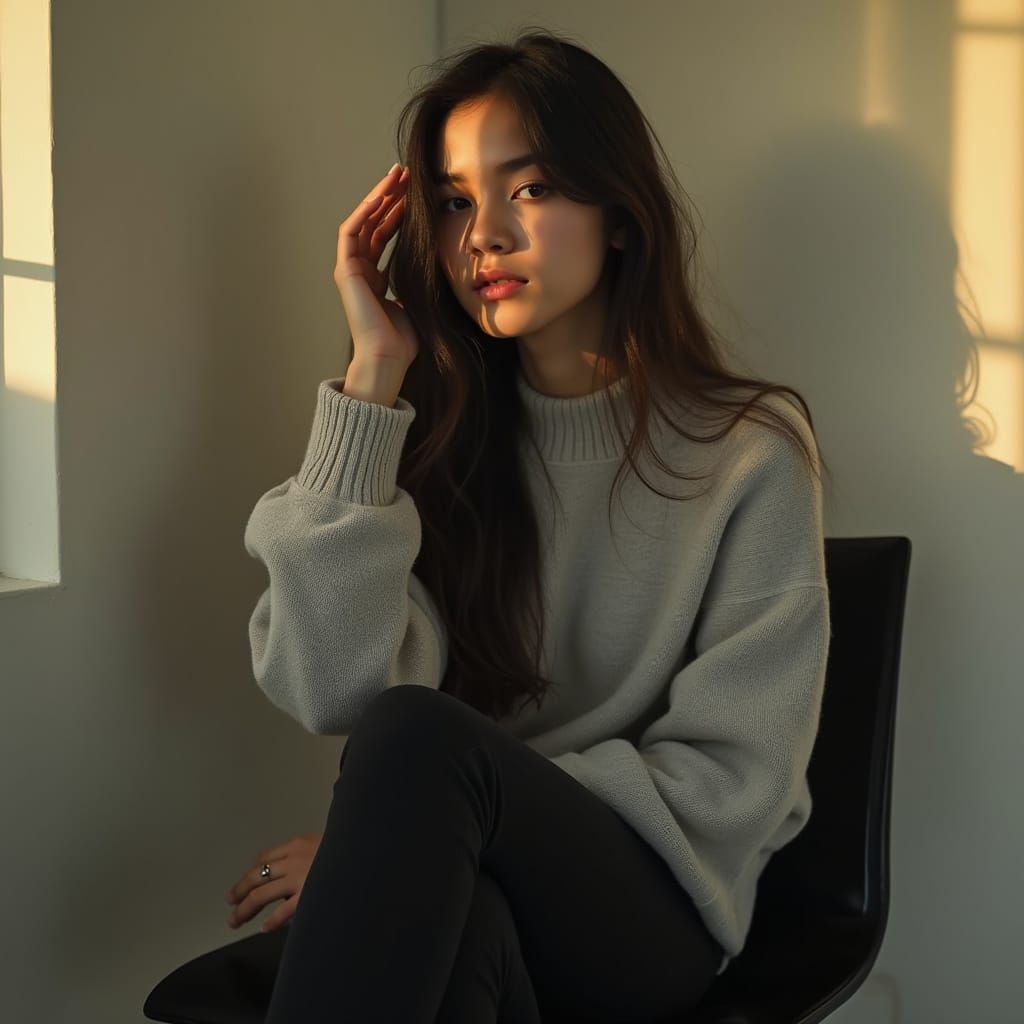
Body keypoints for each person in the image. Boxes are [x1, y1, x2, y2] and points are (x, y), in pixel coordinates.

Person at [228, 26, 832, 1024]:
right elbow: (328, 689)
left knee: (421, 750)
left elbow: (735, 773)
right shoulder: (440, 444)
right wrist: (372, 379)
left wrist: (412, 831)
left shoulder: (749, 451)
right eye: (457, 201)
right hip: (481, 889)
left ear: (620, 215)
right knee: (460, 934)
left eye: (532, 187)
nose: (483, 235)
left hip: (657, 909)